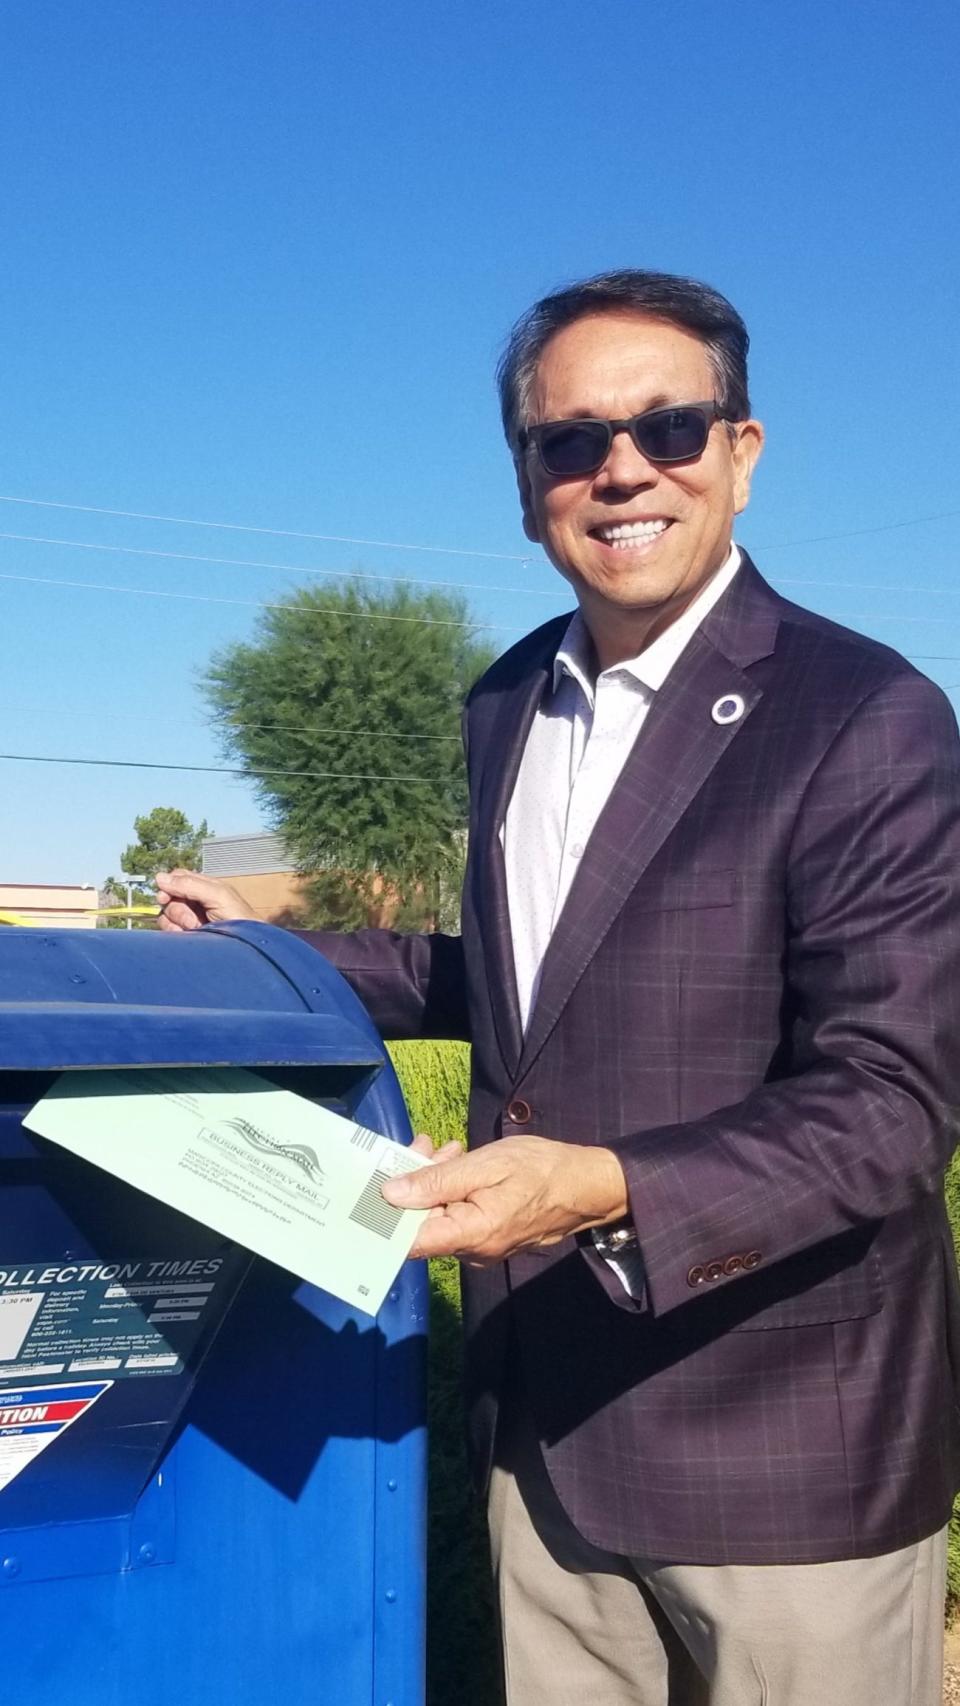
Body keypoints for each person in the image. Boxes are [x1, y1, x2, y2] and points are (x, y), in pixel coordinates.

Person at [157, 268, 960, 1705]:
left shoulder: (866, 714)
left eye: (669, 425)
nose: (622, 469)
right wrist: (266, 947)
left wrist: (600, 1185)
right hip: (544, 1422)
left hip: (781, 1449)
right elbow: (527, 981)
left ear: (743, 452)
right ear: (526, 481)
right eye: (572, 440)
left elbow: (893, 1100)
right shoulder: (508, 698)